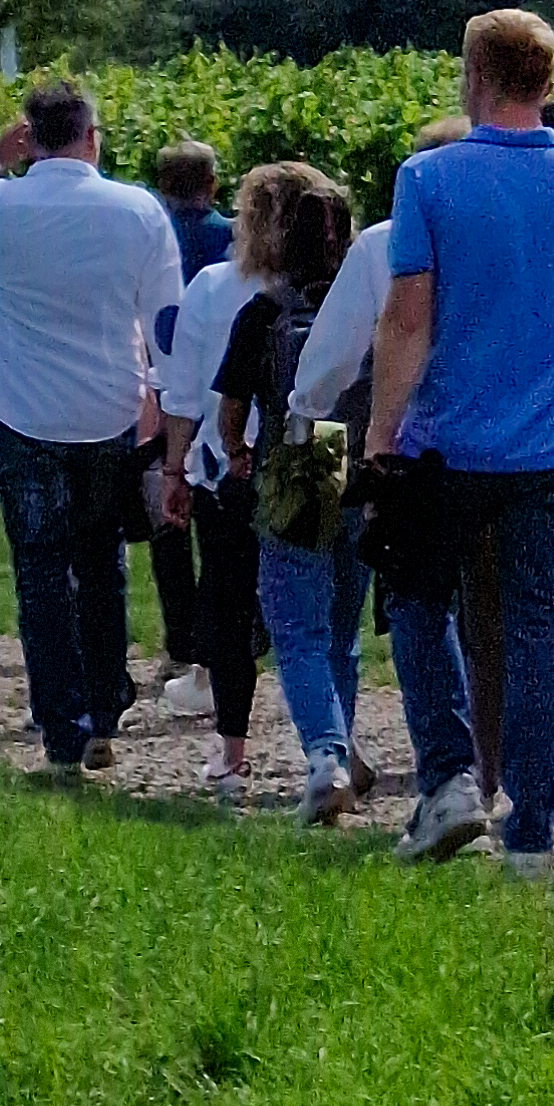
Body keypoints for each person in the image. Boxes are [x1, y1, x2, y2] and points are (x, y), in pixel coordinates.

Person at [356, 6, 554, 870]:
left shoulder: (428, 178)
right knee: (540, 631)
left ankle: (447, 777)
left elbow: (408, 322)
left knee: (415, 600)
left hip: (446, 443)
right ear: (548, 82)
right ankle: (532, 831)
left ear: (473, 76)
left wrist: (382, 436)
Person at [0, 81, 185, 777]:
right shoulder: (138, 211)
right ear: (92, 137)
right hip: (108, 410)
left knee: (40, 569)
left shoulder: (1, 206)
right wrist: (162, 396)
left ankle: (61, 726)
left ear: (29, 138)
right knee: (101, 563)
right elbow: (166, 319)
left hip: (24, 412)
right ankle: (104, 704)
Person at [214, 161, 369, 823]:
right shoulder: (368, 300)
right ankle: (343, 739)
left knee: (297, 627)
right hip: (364, 462)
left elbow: (232, 405)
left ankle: (326, 756)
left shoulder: (264, 310)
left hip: (302, 452)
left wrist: (239, 450)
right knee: (341, 628)